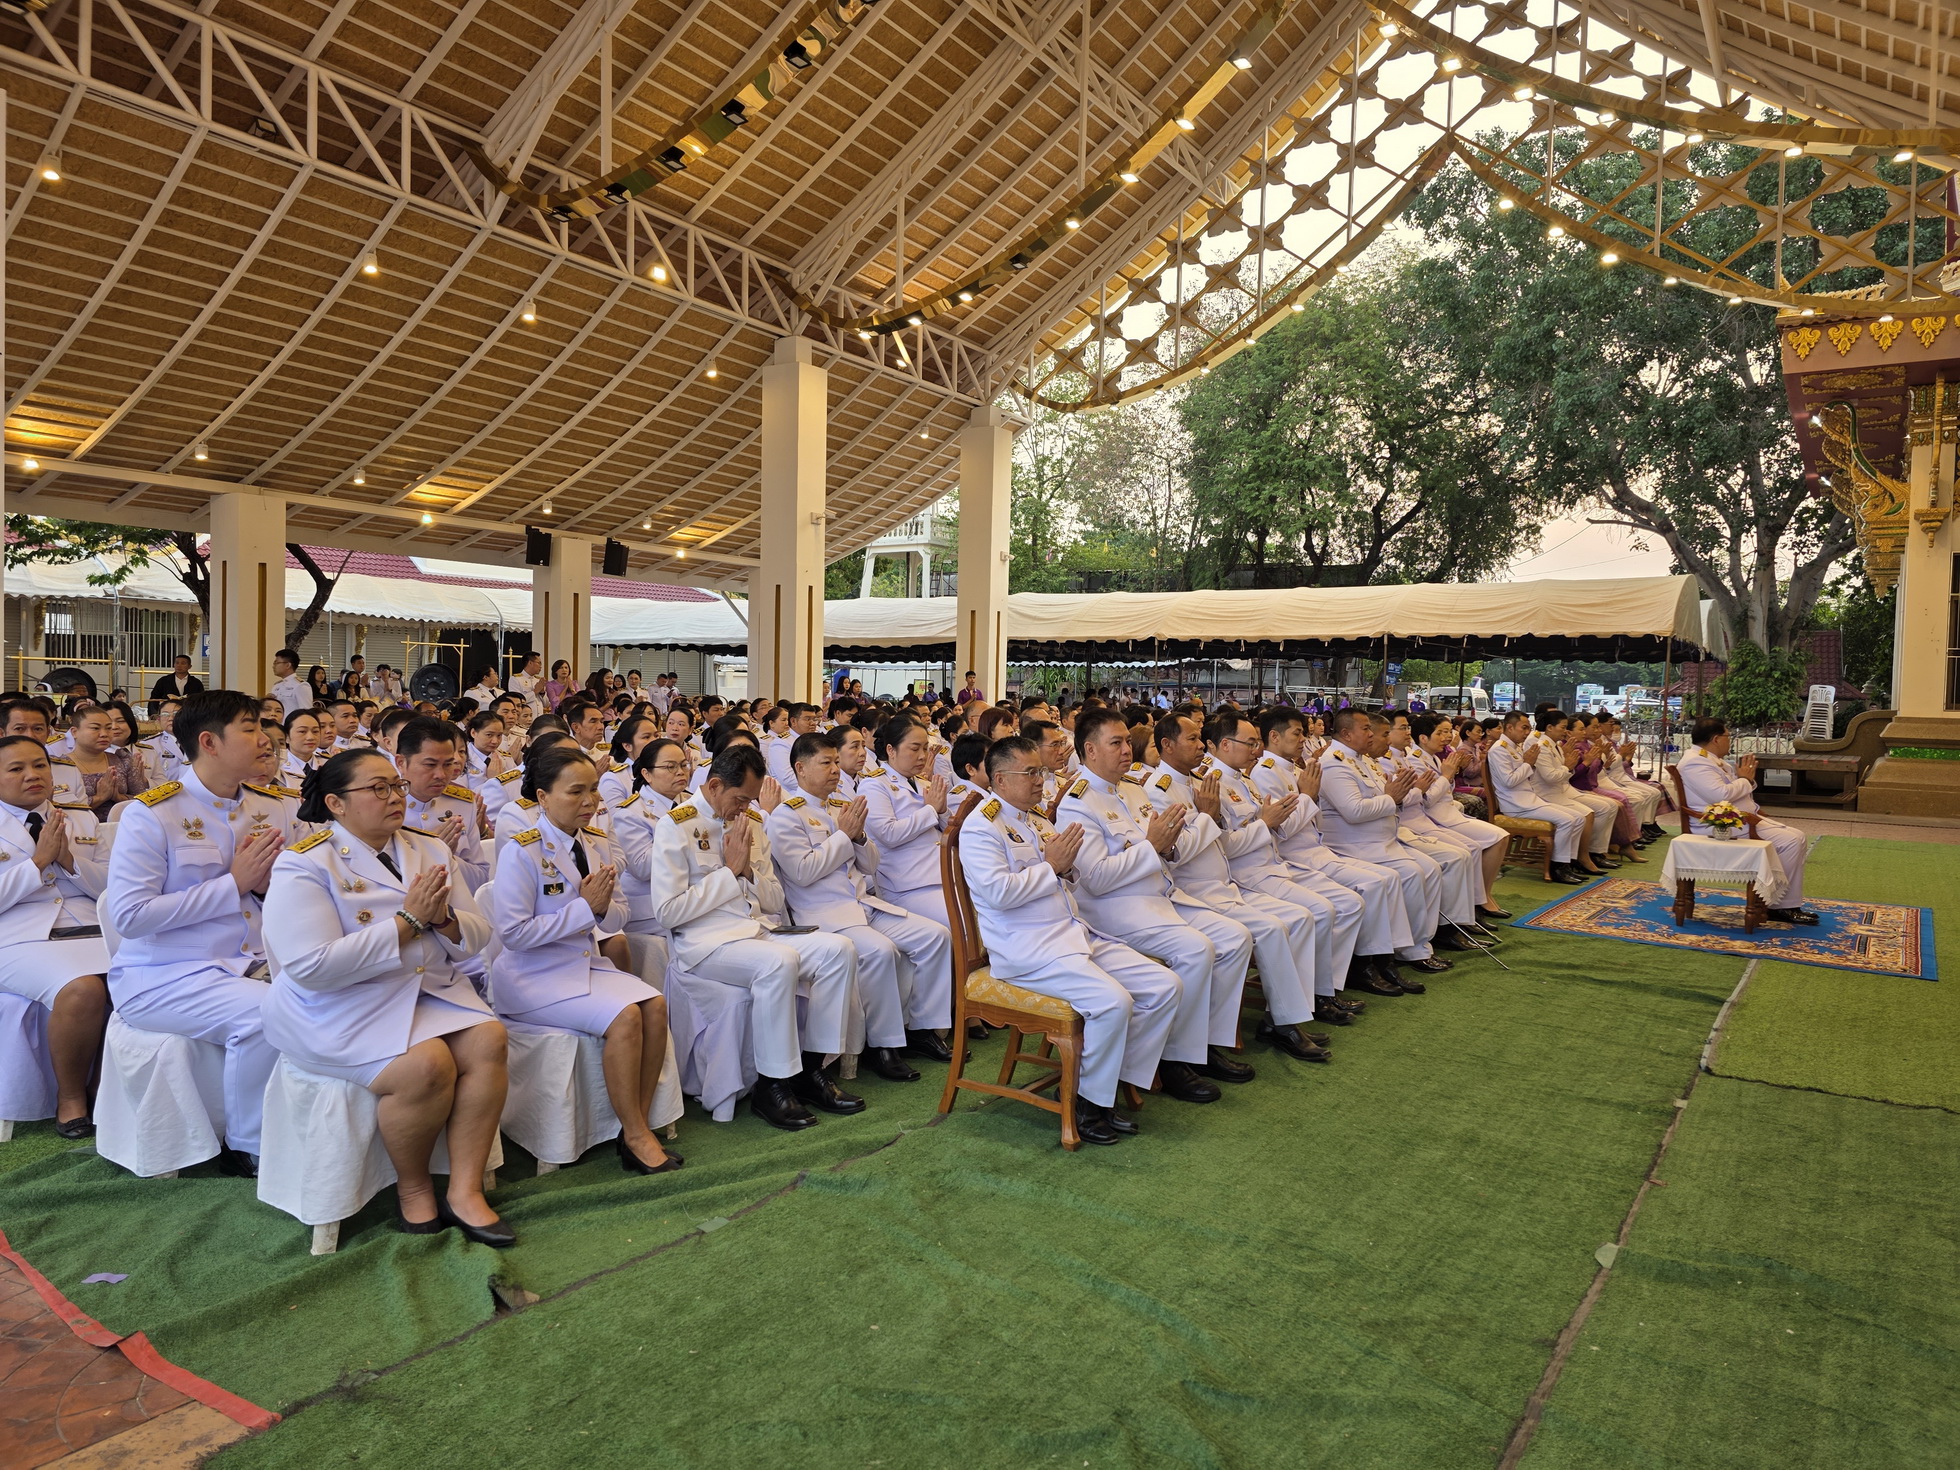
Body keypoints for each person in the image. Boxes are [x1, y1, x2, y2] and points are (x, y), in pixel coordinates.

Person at [262, 750, 514, 1242]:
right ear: (335, 803)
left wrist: (443, 920)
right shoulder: (305, 864)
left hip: (423, 990)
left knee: (489, 1038)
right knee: (426, 1066)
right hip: (336, 1006)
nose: (394, 798)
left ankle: (464, 1191)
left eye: (396, 787)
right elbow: (312, 967)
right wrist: (409, 922)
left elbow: (481, 934)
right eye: (377, 789)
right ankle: (415, 1188)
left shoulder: (429, 849)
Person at [104, 690, 298, 1174]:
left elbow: (283, 896)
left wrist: (271, 887)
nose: (265, 739)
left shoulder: (270, 807)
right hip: (165, 973)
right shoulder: (152, 813)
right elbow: (130, 916)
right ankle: (250, 1144)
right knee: (266, 1015)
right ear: (209, 742)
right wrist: (233, 884)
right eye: (250, 728)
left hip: (249, 961)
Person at [959, 737, 1180, 1146]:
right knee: (1114, 1002)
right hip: (1029, 950)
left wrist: (1066, 869)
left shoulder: (1038, 820)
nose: (1040, 780)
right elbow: (997, 893)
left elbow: (1069, 879)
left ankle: (1112, 1079)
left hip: (1072, 935)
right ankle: (1089, 1103)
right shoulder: (981, 826)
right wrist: (1051, 866)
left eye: (1041, 771)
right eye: (1031, 773)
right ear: (1001, 779)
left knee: (1165, 986)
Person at [647, 744, 859, 1131]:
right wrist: (729, 873)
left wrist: (746, 875)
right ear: (714, 786)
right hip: (705, 944)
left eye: (751, 799)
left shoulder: (751, 823)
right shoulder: (676, 825)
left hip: (757, 931)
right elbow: (668, 912)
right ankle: (772, 1085)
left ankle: (810, 1070)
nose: (746, 807)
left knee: (839, 950)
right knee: (779, 962)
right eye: (740, 798)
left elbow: (775, 898)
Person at [490, 744, 679, 1174]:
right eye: (575, 792)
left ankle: (639, 1120)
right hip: (533, 978)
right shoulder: (522, 851)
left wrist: (600, 907)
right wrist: (584, 909)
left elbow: (620, 914)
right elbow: (514, 936)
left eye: (593, 790)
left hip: (582, 966)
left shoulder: (594, 842)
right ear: (542, 797)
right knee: (626, 1017)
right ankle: (633, 1135)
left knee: (655, 1005)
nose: (590, 802)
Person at [1058, 709, 1255, 1097]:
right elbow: (1096, 879)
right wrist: (1153, 848)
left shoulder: (1132, 788)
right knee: (1198, 949)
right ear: (1089, 751)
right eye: (1115, 743)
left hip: (1160, 896)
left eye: (1126, 741)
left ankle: (1205, 1044)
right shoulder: (1077, 802)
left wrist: (1167, 845)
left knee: (1235, 938)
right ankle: (1175, 1060)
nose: (1125, 750)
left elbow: (1171, 850)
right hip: (1117, 909)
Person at [767, 730, 955, 1077]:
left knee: (935, 936)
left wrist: (858, 836)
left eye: (836, 762)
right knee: (881, 952)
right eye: (826, 763)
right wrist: (843, 835)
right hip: (825, 914)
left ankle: (922, 1028)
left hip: (863, 904)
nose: (836, 770)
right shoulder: (785, 815)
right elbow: (803, 872)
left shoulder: (840, 807)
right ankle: (885, 1046)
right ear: (800, 769)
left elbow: (870, 865)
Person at [0, 735, 110, 1138]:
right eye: (16, 769)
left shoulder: (80, 817)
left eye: (40, 765)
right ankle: (71, 1099)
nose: (32, 775)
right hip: (18, 938)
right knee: (82, 989)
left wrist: (67, 858)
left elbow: (114, 889)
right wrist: (38, 863)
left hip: (90, 927)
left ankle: (107, 1091)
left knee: (136, 976)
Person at [1314, 708, 1452, 983]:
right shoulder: (1334, 762)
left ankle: (1416, 942)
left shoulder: (1362, 760)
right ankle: (1403, 952)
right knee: (1411, 874)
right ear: (1346, 734)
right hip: (1353, 843)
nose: (1370, 733)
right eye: (1365, 728)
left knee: (1431, 868)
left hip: (1381, 839)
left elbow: (1386, 796)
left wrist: (1396, 796)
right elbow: (1353, 811)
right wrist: (1392, 797)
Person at [1678, 717, 1816, 924]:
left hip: (1738, 819)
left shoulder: (1710, 759)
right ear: (1716, 739)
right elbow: (1720, 795)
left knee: (1796, 836)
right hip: (1717, 825)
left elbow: (1735, 792)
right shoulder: (1695, 762)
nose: (1730, 739)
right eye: (1728, 735)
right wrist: (1745, 779)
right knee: (1791, 841)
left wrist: (1747, 786)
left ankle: (1776, 900)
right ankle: (1781, 906)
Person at [861, 717, 950, 930]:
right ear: (891, 750)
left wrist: (943, 809)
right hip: (906, 886)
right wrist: (930, 810)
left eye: (926, 748)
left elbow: (951, 830)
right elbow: (889, 834)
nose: (922, 756)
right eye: (915, 748)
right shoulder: (874, 785)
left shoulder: (922, 783)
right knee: (963, 924)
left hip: (942, 877)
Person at [1485, 710, 1592, 885]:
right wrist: (1528, 763)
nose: (1527, 732)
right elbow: (1509, 781)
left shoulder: (1514, 747)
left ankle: (1568, 863)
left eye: (1529, 728)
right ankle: (1557, 867)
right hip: (1516, 804)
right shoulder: (1499, 750)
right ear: (1509, 727)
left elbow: (1527, 775)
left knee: (1579, 818)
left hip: (1529, 799)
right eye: (1524, 728)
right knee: (1567, 820)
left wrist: (1529, 764)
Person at [393, 717, 490, 896]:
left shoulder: (463, 803)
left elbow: (481, 880)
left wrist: (448, 857)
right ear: (401, 763)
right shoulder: (384, 806)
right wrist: (430, 853)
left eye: (448, 764)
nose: (441, 774)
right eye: (430, 764)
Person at [269, 650, 310, 717]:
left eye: (276, 663)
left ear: (288, 665)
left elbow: (306, 712)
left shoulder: (301, 685)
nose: (273, 666)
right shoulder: (276, 686)